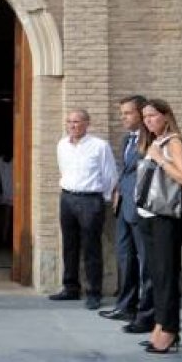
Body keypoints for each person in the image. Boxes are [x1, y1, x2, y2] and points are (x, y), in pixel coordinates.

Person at [135, 99, 182, 354]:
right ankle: (161, 325)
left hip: (167, 218)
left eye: (152, 116)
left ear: (165, 116)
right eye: (145, 116)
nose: (148, 120)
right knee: (157, 276)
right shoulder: (154, 142)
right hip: (149, 215)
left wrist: (160, 159)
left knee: (166, 275)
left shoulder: (173, 142)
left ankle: (169, 330)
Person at [50, 109, 117, 310]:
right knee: (69, 245)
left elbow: (109, 175)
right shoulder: (62, 144)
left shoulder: (99, 146)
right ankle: (70, 288)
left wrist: (101, 200)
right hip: (68, 198)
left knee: (91, 248)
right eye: (69, 121)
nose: (72, 125)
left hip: (91, 201)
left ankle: (94, 292)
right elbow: (63, 169)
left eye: (77, 122)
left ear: (87, 123)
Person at [101, 96, 155, 334]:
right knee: (125, 257)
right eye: (122, 113)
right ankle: (125, 305)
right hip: (123, 205)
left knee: (146, 262)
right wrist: (116, 192)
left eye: (128, 113)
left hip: (142, 207)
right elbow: (126, 170)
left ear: (142, 114)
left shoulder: (151, 139)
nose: (123, 118)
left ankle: (147, 312)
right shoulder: (127, 139)